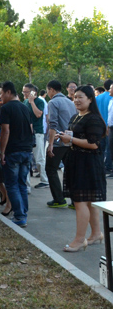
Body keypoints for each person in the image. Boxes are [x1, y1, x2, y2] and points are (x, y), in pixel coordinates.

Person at [57, 85, 107, 252]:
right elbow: (76, 137)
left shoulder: (93, 119)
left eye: (81, 97)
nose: (76, 100)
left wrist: (70, 140)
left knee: (80, 202)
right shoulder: (76, 116)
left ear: (90, 99)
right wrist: (65, 138)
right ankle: (96, 234)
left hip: (89, 164)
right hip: (77, 162)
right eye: (75, 97)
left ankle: (80, 240)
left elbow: (93, 144)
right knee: (89, 202)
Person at [0, 81, 34, 227]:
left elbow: (5, 131)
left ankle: (19, 216)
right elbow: (31, 129)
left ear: (8, 92)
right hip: (27, 150)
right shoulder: (25, 107)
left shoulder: (6, 108)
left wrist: (2, 151)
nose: (0, 97)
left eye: (1, 93)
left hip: (13, 151)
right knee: (22, 184)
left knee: (12, 184)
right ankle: (23, 214)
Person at [45, 80, 77, 208]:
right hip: (70, 141)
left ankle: (59, 199)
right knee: (70, 171)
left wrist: (51, 144)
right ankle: (75, 201)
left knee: (51, 169)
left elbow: (53, 124)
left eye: (48, 90)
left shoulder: (53, 102)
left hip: (58, 141)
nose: (47, 93)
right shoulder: (70, 102)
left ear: (52, 89)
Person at [22, 83, 49, 188]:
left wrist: (32, 102)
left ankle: (44, 180)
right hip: (26, 132)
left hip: (37, 132)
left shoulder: (39, 101)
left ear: (34, 92)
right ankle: (27, 184)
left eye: (27, 92)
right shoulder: (24, 102)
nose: (24, 94)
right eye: (23, 92)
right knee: (28, 158)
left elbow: (38, 114)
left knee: (39, 157)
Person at [96, 79, 113, 173]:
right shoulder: (111, 99)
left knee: (100, 147)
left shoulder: (98, 97)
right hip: (109, 127)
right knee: (109, 148)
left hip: (100, 126)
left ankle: (100, 165)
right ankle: (108, 166)